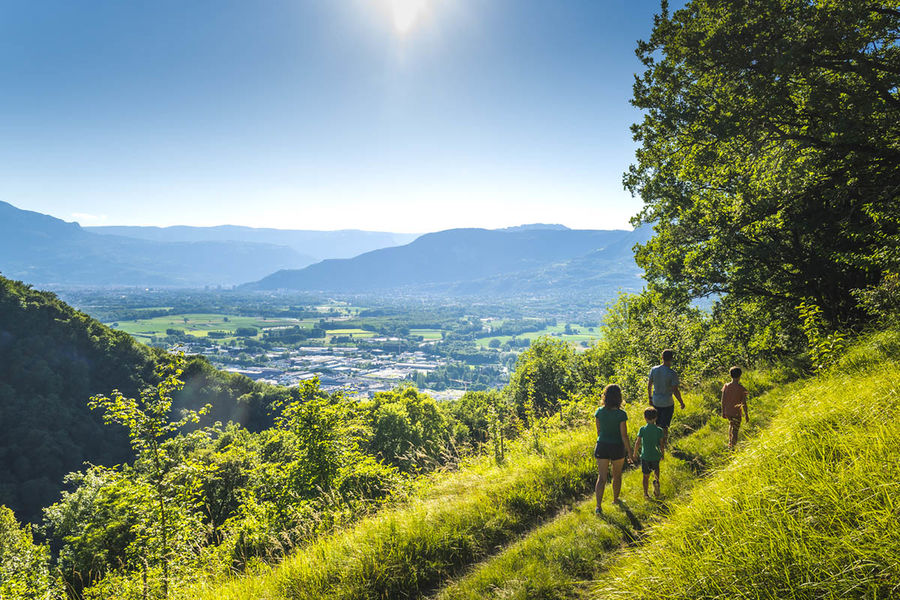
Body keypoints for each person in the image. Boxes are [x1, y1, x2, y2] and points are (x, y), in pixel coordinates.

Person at [593, 384, 632, 513]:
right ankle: (615, 499)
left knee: (602, 477)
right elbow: (624, 435)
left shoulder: (599, 412)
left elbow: (599, 431)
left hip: (602, 446)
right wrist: (630, 452)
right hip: (617, 447)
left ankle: (598, 506)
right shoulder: (621, 414)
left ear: (605, 396)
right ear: (619, 397)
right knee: (617, 475)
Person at [647, 349, 684, 443]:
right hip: (667, 402)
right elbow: (675, 390)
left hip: (656, 401)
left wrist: (650, 398)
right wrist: (681, 402)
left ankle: (656, 442)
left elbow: (649, 385)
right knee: (665, 426)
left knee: (657, 423)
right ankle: (664, 444)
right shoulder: (672, 373)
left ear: (661, 358)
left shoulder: (654, 369)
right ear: (672, 359)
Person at [632, 406, 665, 499]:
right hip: (656, 455)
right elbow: (661, 444)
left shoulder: (642, 429)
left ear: (645, 418)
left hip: (645, 456)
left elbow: (637, 442)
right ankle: (656, 484)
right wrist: (663, 454)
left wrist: (634, 453)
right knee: (656, 470)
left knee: (645, 476)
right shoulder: (659, 430)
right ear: (656, 418)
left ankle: (646, 494)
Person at [721, 366, 749, 449]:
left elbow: (723, 400)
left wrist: (723, 411)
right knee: (735, 430)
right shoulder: (742, 389)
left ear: (730, 375)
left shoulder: (726, 386)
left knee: (731, 424)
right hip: (736, 412)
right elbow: (744, 403)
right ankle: (732, 446)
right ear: (740, 376)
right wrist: (746, 414)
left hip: (728, 411)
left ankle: (730, 442)